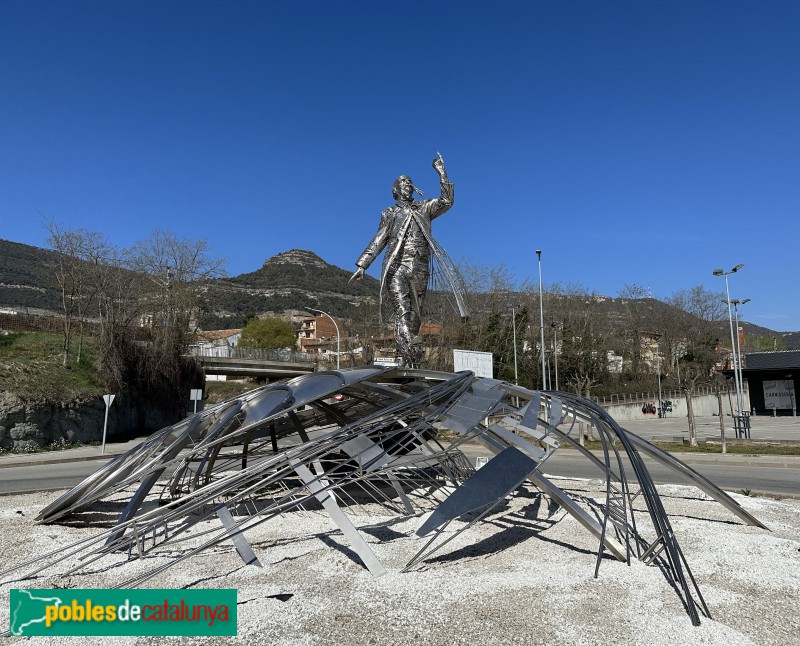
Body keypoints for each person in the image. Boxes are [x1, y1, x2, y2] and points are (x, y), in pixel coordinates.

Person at [350, 154, 456, 367]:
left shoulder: (424, 208)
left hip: (419, 268)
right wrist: (363, 264)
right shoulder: (389, 213)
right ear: (395, 191)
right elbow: (379, 239)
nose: (407, 184)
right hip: (396, 267)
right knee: (402, 311)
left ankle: (407, 360)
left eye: (409, 181)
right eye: (402, 182)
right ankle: (409, 355)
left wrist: (442, 174)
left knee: (415, 317)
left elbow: (446, 201)